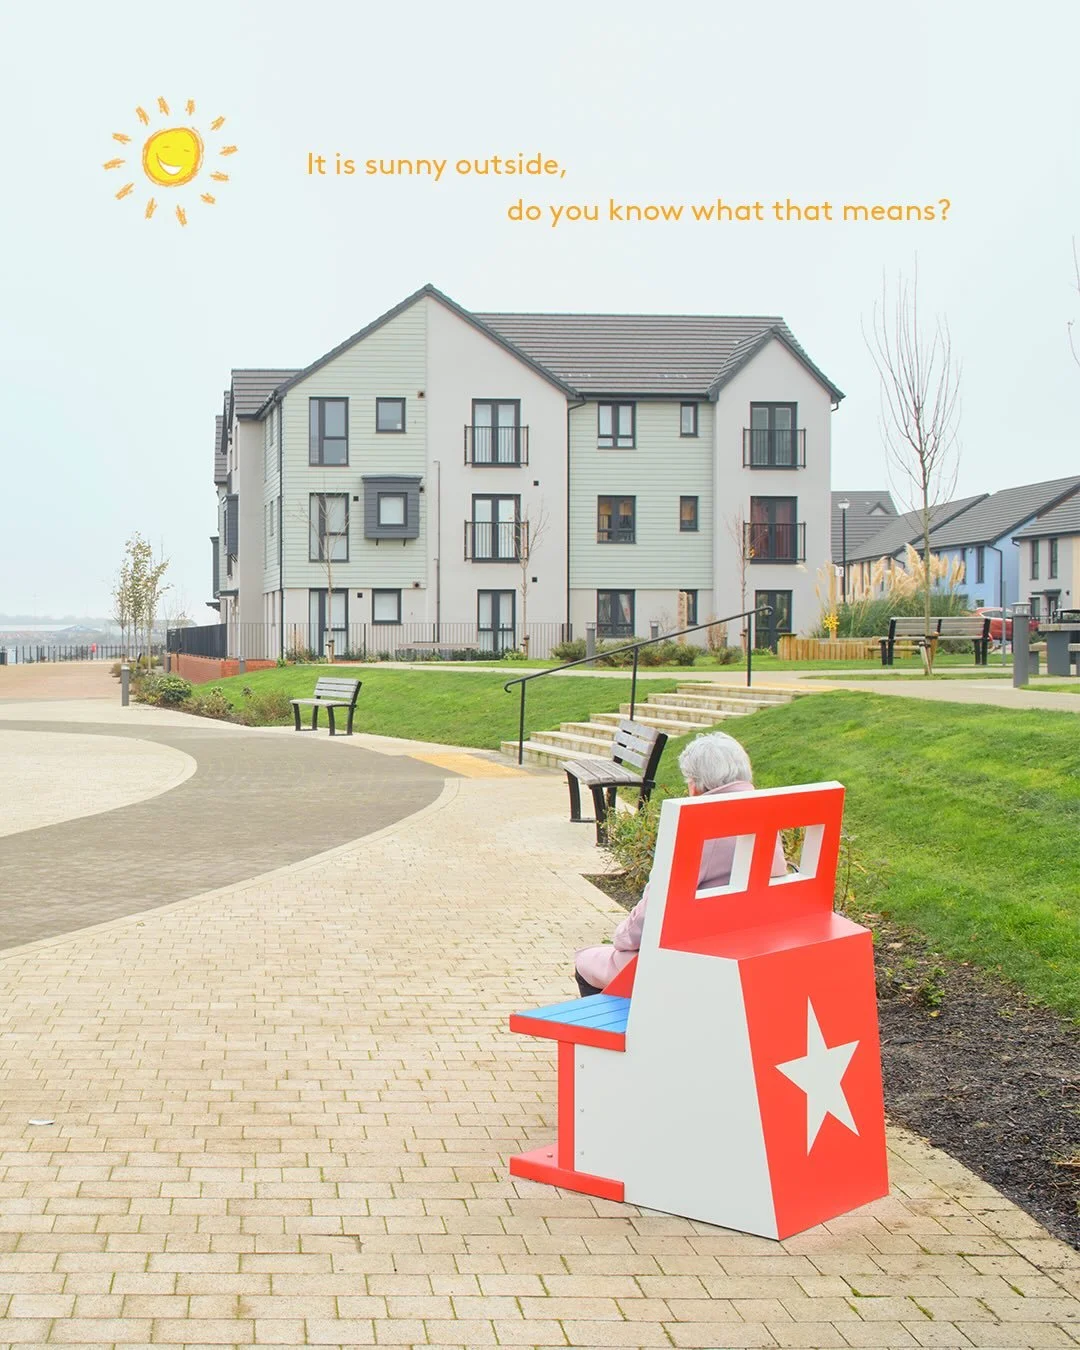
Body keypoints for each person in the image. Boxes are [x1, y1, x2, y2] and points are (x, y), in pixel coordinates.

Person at [574, 730, 787, 997]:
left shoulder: (699, 825)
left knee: (587, 961)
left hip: (687, 961)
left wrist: (621, 939)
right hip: (748, 950)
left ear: (695, 786)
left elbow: (651, 913)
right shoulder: (767, 813)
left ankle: (634, 1035)